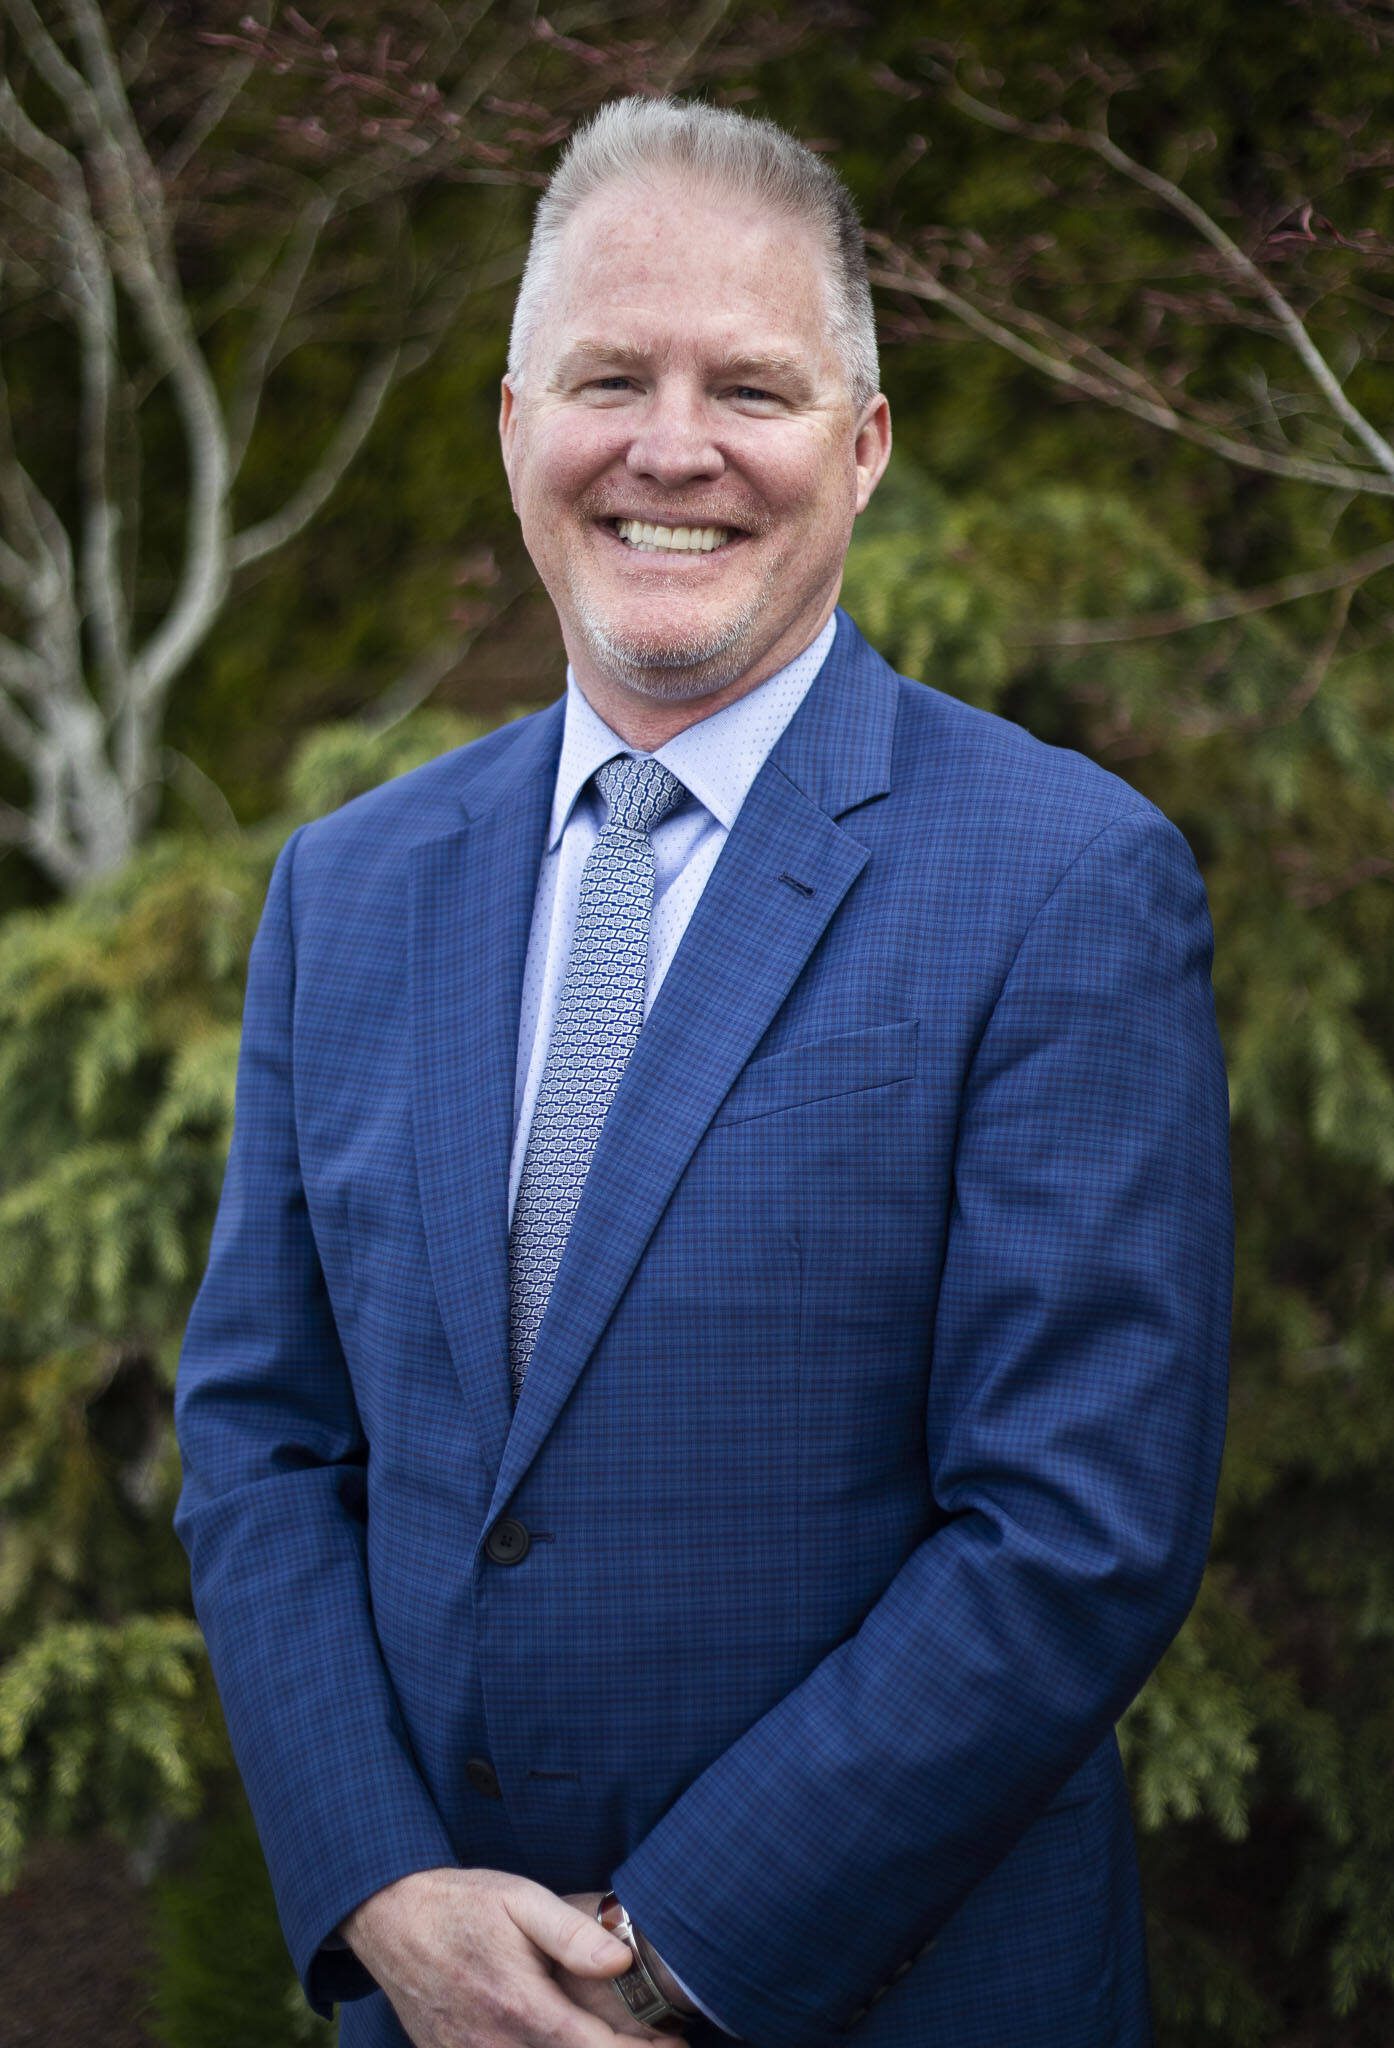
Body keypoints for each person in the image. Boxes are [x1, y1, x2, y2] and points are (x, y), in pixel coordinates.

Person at [174, 96, 1232, 2048]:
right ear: (514, 431)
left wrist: (649, 1967)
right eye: (606, 378)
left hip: (884, 2001)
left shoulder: (1061, 883)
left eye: (748, 384)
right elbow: (265, 1439)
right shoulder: (349, 890)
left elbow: (1075, 1526)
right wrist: (385, 1895)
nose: (670, 446)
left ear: (863, 441)